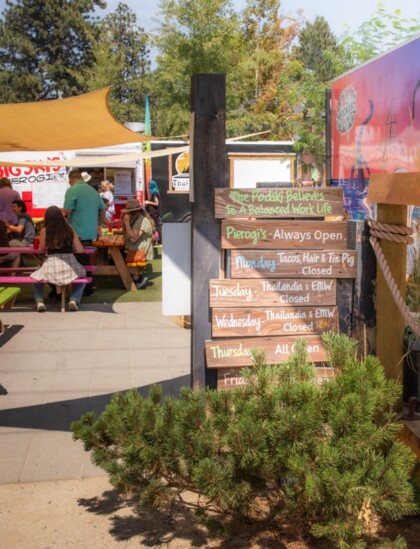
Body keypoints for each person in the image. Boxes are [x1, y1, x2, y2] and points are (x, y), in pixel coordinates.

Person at [30, 206, 87, 312]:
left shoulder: (44, 230)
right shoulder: (70, 229)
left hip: (52, 265)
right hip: (70, 265)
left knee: (36, 279)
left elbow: (42, 247)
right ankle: (74, 300)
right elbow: (80, 250)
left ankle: (40, 302)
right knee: (83, 276)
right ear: (61, 216)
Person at [62, 169, 108, 296]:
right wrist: (99, 223)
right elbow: (103, 208)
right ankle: (88, 285)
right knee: (84, 259)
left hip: (76, 231)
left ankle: (85, 287)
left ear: (71, 180)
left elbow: (67, 211)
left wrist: (59, 213)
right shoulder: (93, 191)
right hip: (90, 232)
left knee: (79, 261)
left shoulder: (72, 190)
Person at [121, 199, 154, 290]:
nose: (127, 215)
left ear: (135, 212)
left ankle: (136, 279)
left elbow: (133, 239)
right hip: (135, 247)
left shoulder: (141, 220)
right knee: (117, 254)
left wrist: (127, 223)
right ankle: (133, 278)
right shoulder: (137, 219)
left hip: (140, 250)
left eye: (129, 212)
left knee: (119, 255)